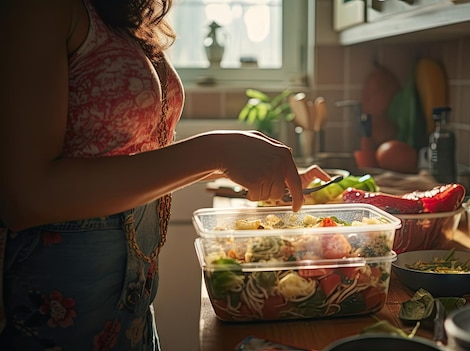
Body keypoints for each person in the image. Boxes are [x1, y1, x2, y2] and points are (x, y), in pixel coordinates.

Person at [0, 0, 322, 349]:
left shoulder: (124, 14)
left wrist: (240, 164)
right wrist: (216, 153)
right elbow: (26, 196)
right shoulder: (41, 9)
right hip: (57, 327)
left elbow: (123, 150)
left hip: (133, 320)